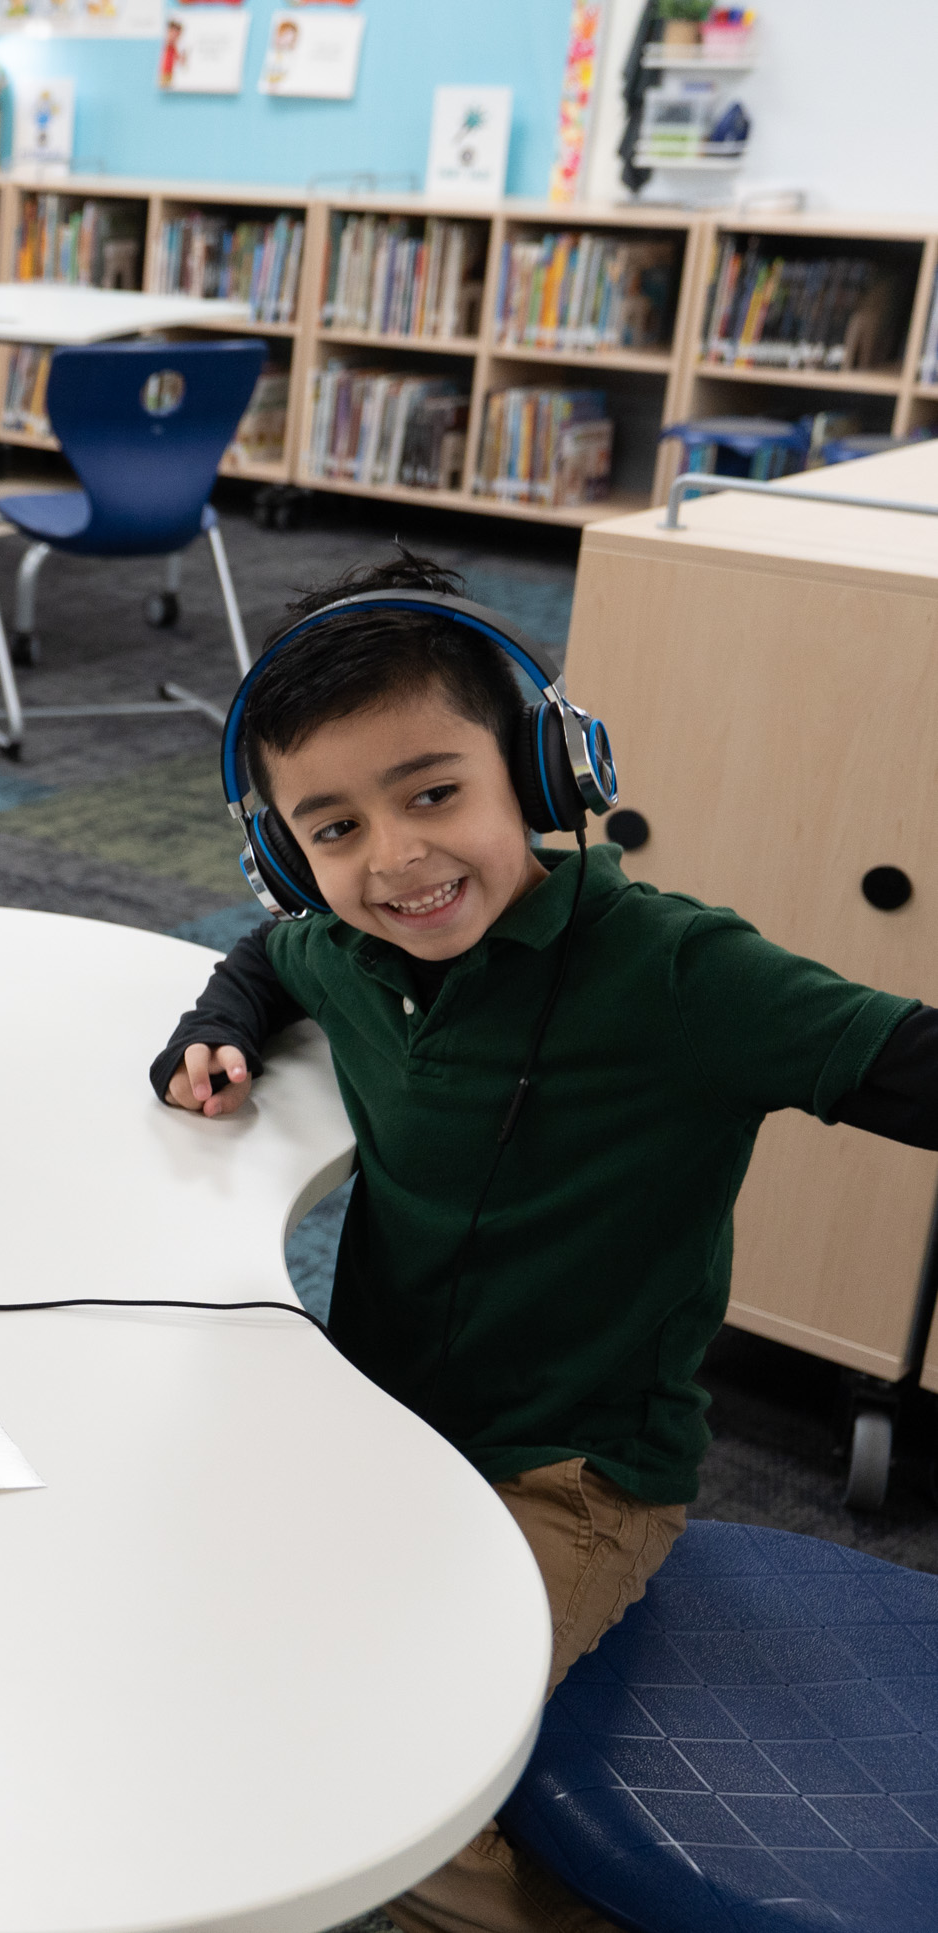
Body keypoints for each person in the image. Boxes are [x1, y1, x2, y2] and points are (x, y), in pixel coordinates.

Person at [153, 553, 938, 1933]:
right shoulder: (351, 952)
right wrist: (213, 1024)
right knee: (200, 1650)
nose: (393, 859)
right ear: (282, 851)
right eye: (330, 830)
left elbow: (906, 1064)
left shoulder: (676, 973)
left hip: (577, 1478)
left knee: (381, 1797)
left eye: (435, 792)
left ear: (544, 771)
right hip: (392, 1436)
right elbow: (272, 960)